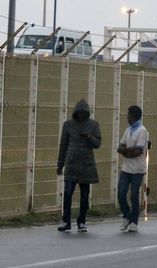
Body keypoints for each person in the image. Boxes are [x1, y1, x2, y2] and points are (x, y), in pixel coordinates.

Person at [57, 99, 101, 232]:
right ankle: (66, 221)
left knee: (84, 195)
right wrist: (60, 164)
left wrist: (89, 137)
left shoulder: (93, 125)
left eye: (84, 112)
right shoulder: (68, 125)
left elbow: (97, 143)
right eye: (79, 112)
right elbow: (63, 145)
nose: (81, 114)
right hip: (71, 164)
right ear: (76, 112)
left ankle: (82, 221)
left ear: (87, 113)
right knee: (68, 193)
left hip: (86, 165)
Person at [117, 105, 149, 232]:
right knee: (121, 193)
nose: (127, 116)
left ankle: (134, 221)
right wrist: (127, 150)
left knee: (134, 195)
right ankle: (126, 215)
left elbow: (138, 151)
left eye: (128, 114)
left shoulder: (142, 131)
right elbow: (120, 148)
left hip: (138, 169)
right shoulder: (127, 130)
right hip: (126, 168)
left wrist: (126, 150)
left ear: (133, 116)